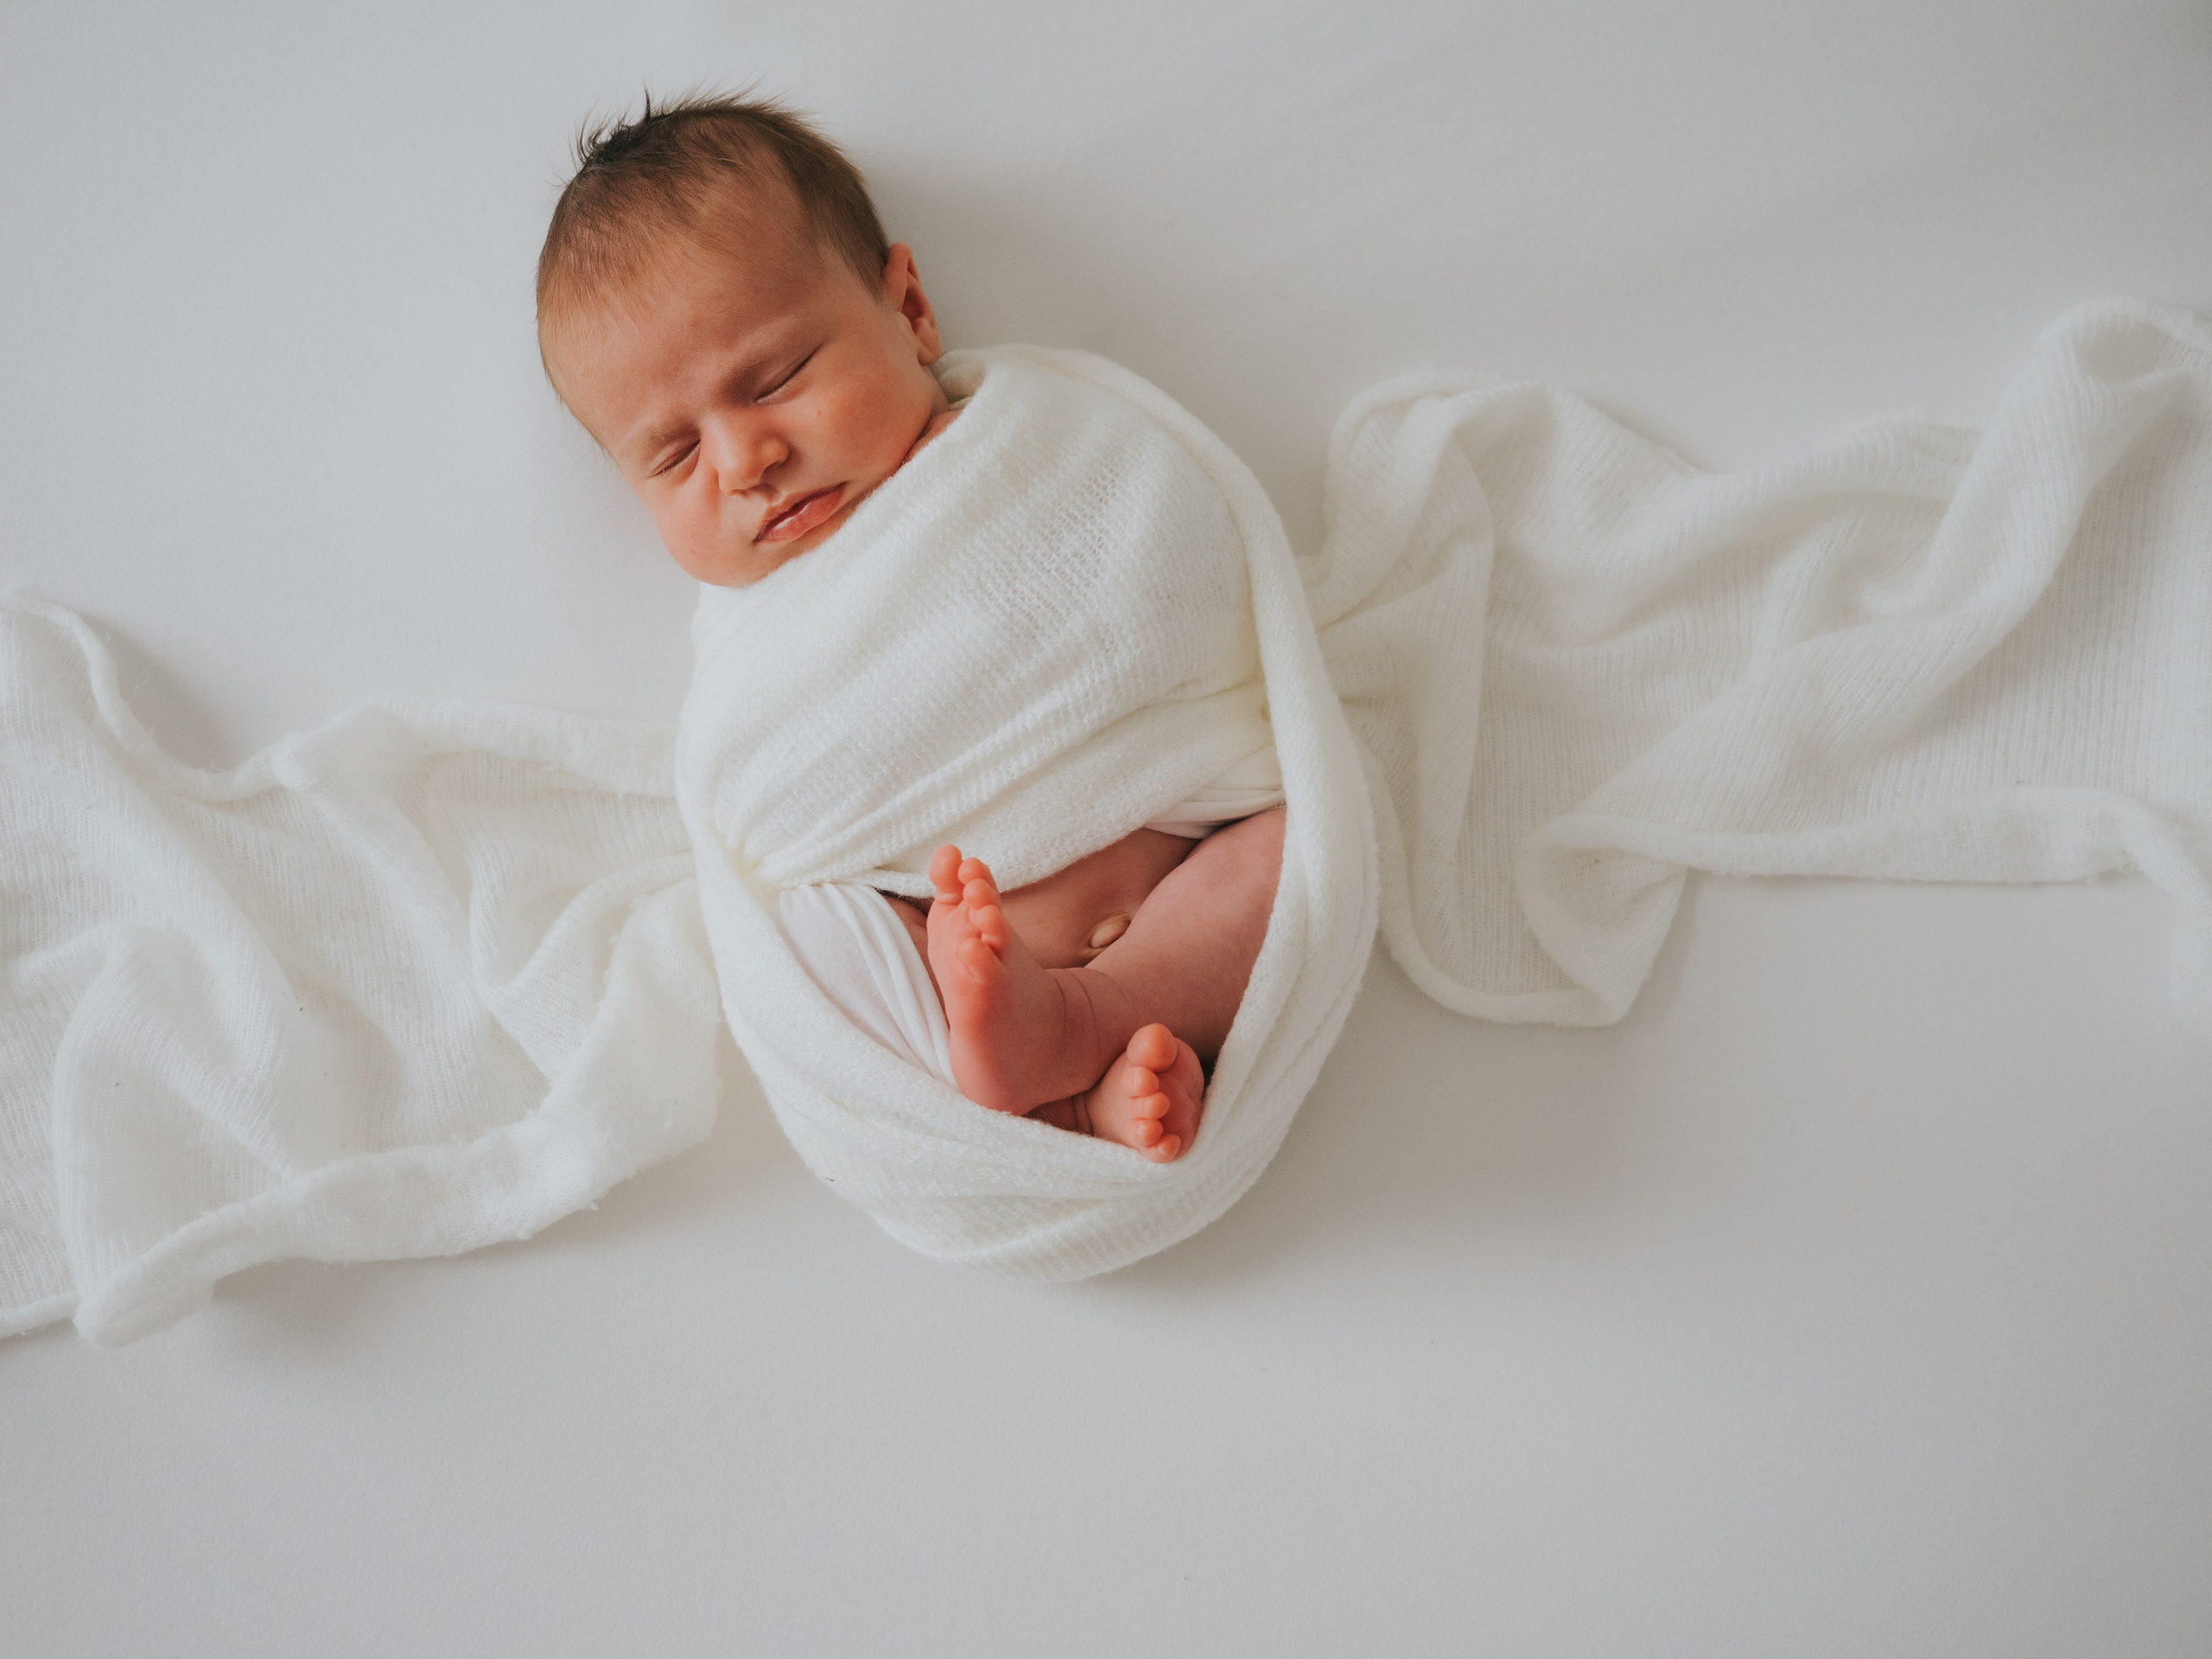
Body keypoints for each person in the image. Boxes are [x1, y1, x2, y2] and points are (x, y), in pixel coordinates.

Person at [534, 93, 1284, 1162]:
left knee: (1297, 844)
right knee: (797, 937)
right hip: (947, 945)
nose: (744, 462)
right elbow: (759, 805)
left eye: (776, 379)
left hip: (1181, 856)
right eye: (675, 455)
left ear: (912, 311)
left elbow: (1162, 571)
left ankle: (1095, 1019)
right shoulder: (751, 640)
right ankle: (1049, 1092)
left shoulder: (1031, 448)